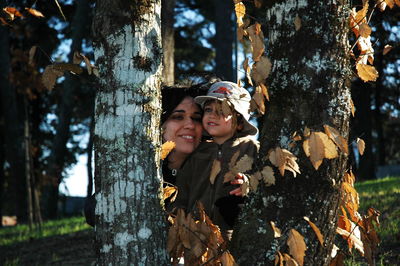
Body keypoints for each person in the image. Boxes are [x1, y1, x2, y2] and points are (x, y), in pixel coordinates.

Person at [84, 83, 209, 226]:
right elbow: (94, 212)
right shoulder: (142, 169)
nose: (190, 125)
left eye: (196, 118)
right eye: (178, 117)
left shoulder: (210, 168)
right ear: (159, 124)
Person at [173, 81, 259, 238]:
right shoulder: (197, 152)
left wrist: (249, 184)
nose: (212, 115)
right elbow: (181, 193)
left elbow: (265, 182)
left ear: (239, 122)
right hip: (195, 236)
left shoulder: (252, 148)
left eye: (222, 110)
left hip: (232, 237)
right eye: (208, 109)